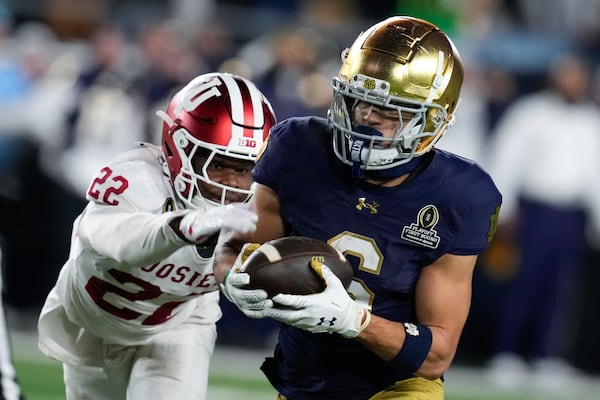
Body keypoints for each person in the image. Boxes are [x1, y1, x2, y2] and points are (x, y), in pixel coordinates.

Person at [214, 16, 502, 400]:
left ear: (433, 120)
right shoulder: (296, 149)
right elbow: (233, 250)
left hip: (396, 385)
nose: (366, 116)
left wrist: (353, 320)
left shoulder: (460, 196)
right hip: (302, 378)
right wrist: (233, 278)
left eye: (390, 110)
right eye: (359, 98)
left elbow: (436, 355)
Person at [37, 72, 276, 400]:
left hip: (178, 326)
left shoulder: (262, 204)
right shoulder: (135, 179)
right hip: (92, 326)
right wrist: (181, 227)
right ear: (179, 147)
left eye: (245, 168)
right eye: (220, 164)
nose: (233, 183)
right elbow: (120, 240)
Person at [484, 52, 600, 390]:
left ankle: (547, 356)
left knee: (562, 290)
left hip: (571, 216)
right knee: (524, 281)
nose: (573, 82)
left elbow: (595, 176)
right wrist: (504, 211)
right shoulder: (531, 113)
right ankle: (506, 351)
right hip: (534, 211)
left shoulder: (591, 120)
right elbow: (506, 157)